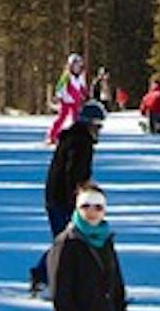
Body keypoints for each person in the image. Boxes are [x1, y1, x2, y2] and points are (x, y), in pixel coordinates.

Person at [30, 100, 105, 293]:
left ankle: (48, 277)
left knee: (68, 241)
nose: (99, 131)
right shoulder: (81, 142)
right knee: (67, 242)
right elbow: (74, 173)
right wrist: (80, 195)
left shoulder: (73, 138)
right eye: (97, 126)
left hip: (57, 197)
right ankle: (46, 278)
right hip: (63, 200)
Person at [47, 54, 90, 143]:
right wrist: (58, 96)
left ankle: (77, 136)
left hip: (76, 101)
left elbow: (82, 87)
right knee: (62, 117)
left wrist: (86, 95)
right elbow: (59, 86)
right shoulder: (67, 75)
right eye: (75, 65)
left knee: (77, 119)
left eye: (78, 65)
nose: (77, 68)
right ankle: (52, 136)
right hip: (66, 100)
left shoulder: (81, 76)